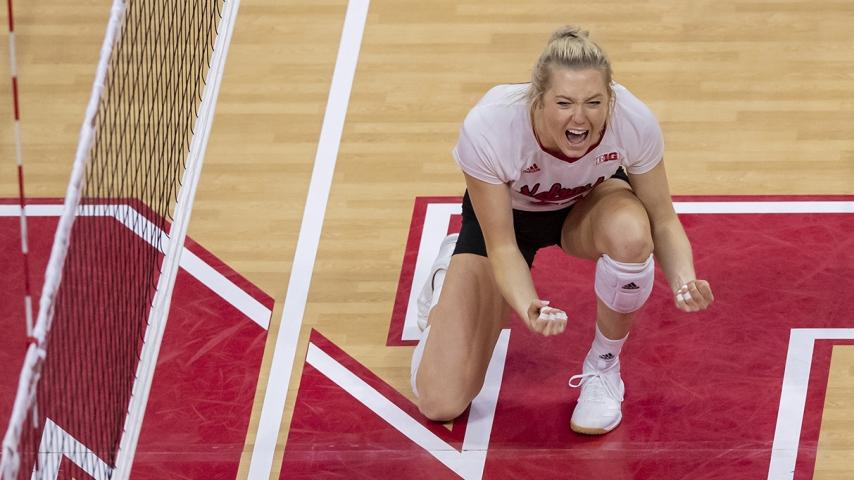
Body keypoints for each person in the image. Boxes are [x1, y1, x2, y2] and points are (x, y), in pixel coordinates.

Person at [409, 25, 715, 435]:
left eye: (594, 102)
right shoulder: (491, 126)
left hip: (586, 207)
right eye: (564, 103)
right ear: (538, 99)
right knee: (440, 401)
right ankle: (449, 275)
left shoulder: (632, 120)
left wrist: (684, 281)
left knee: (631, 232)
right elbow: (502, 247)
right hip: (508, 223)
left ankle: (603, 369)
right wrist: (528, 306)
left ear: (610, 99)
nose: (580, 117)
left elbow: (662, 218)